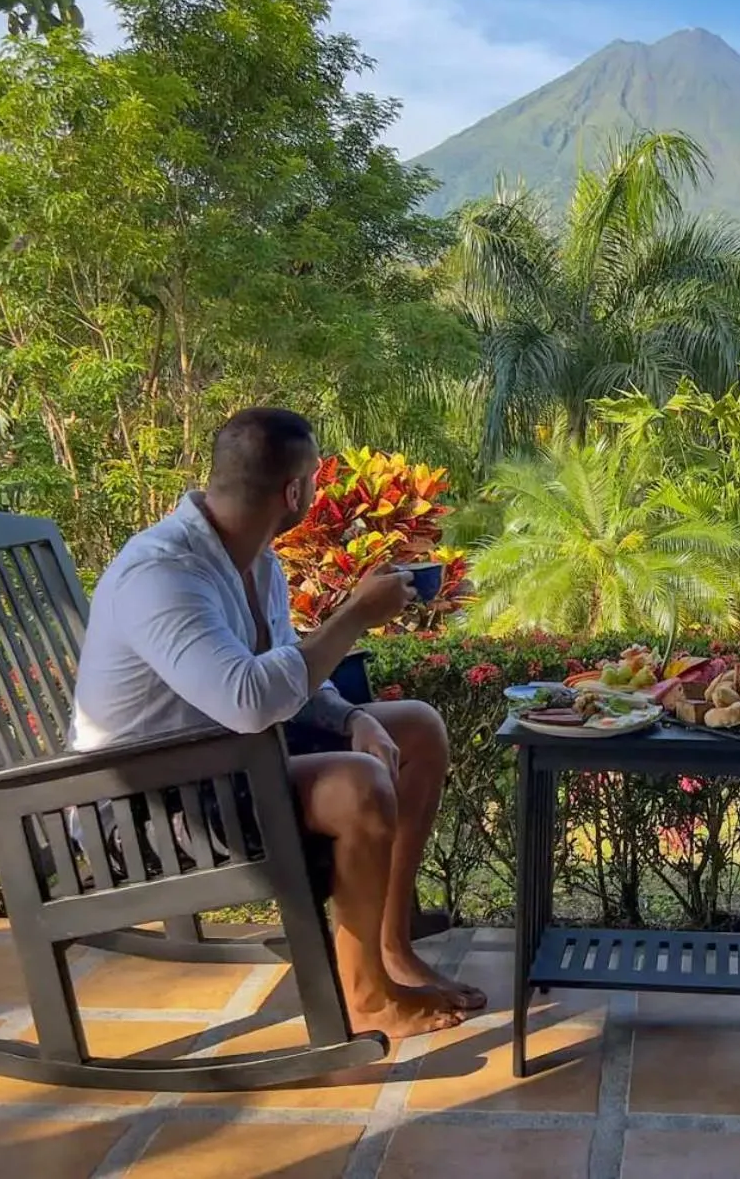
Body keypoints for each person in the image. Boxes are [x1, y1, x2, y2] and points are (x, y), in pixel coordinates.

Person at [72, 407, 484, 1039]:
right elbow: (249, 700)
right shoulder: (163, 575)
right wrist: (351, 617)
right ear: (295, 491)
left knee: (414, 729)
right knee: (358, 787)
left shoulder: (253, 559)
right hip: (142, 801)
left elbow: (287, 675)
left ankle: (391, 947)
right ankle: (366, 998)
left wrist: (350, 719)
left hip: (223, 760)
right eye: (315, 477)